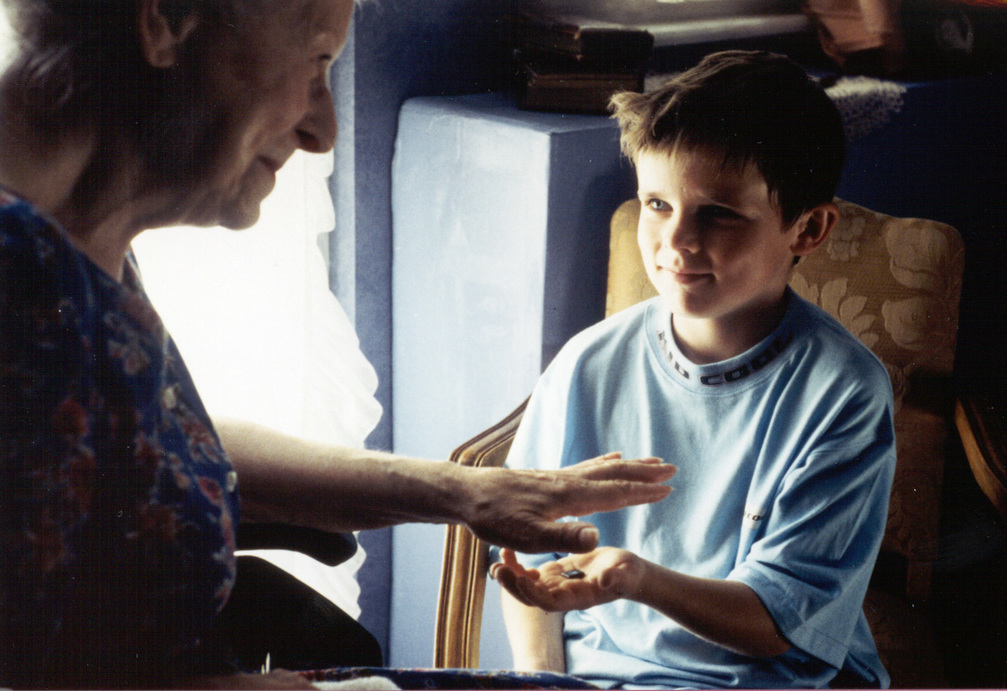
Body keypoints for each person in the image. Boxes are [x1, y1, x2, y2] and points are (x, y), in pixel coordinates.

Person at [0, 0, 678, 688]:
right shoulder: (18, 277)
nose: (323, 132)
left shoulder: (75, 237)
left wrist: (466, 493)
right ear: (166, 18)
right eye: (316, 64)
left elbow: (152, 442)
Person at [492, 51, 897, 689]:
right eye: (657, 203)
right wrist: (541, 679)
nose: (677, 241)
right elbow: (526, 556)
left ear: (808, 229)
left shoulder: (843, 391)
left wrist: (638, 580)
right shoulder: (588, 362)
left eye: (719, 213)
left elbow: (779, 620)